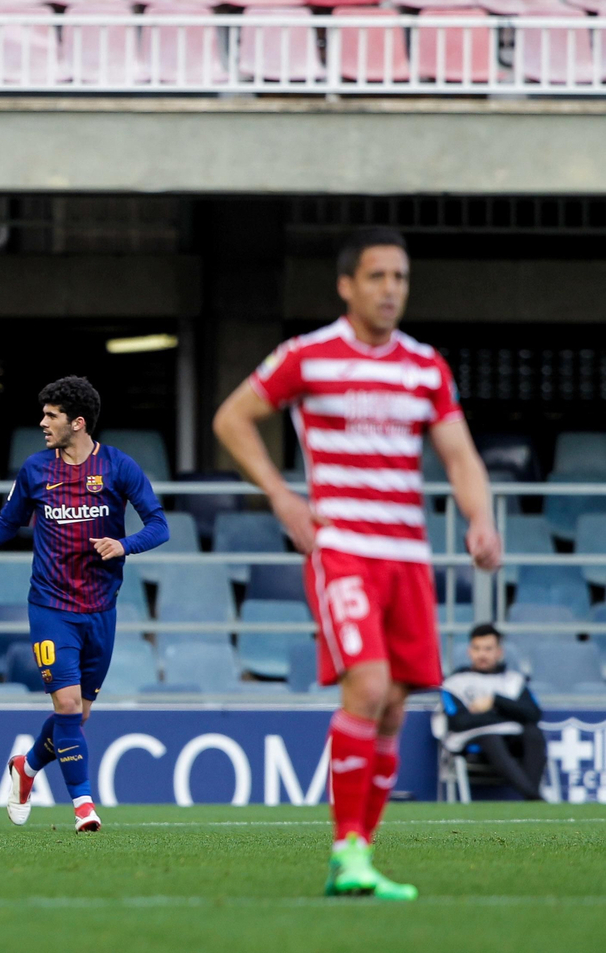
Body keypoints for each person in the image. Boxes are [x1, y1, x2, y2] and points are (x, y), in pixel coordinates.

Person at [213, 227, 502, 900]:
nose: (390, 289)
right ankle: (347, 849)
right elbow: (233, 417)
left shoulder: (425, 367)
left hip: (408, 554)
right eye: (377, 276)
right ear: (348, 285)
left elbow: (460, 455)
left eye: (399, 277)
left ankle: (358, 856)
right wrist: (283, 496)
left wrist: (479, 516)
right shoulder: (309, 356)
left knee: (397, 707)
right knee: (368, 689)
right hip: (344, 547)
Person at [0, 375, 168, 834]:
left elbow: (159, 525)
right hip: (51, 607)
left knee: (78, 713)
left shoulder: (118, 467)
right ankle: (84, 806)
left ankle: (27, 766)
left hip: (101, 610)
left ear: (77, 422)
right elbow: (3, 526)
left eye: (51, 416)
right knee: (69, 705)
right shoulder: (36, 470)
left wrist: (124, 545)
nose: (42, 423)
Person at [442, 624, 547, 801]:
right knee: (491, 737)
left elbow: (533, 715)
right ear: (469, 651)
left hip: (513, 740)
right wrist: (507, 713)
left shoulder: (514, 681)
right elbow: (458, 722)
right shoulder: (455, 683)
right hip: (475, 745)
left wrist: (494, 701)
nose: (482, 654)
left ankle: (531, 796)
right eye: (477, 648)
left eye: (488, 649)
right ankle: (534, 798)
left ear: (499, 652)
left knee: (533, 733)